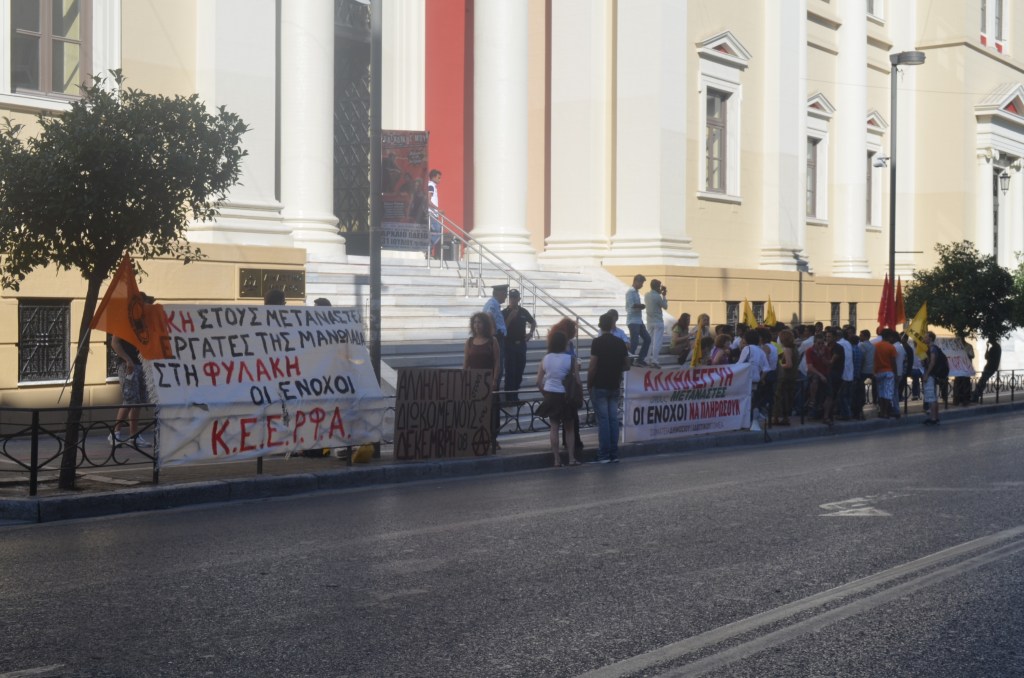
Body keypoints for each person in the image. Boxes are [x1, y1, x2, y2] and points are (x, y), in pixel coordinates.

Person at [108, 293, 155, 448]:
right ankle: (115, 433)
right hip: (128, 365)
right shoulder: (125, 321)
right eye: (144, 304)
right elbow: (115, 342)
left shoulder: (142, 323)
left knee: (139, 401)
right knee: (129, 398)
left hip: (141, 364)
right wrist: (127, 359)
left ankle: (134, 435)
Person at [588, 312, 630, 463]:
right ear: (612, 325)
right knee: (613, 419)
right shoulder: (620, 342)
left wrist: (589, 383)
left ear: (600, 325)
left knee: (604, 421)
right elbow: (627, 365)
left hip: (600, 384)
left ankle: (604, 454)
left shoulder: (597, 342)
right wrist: (616, 368)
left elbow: (592, 366)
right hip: (614, 384)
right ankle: (613, 453)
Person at [536, 331, 580, 467]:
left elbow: (538, 381)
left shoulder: (546, 358)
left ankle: (556, 459)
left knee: (554, 427)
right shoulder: (570, 359)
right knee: (569, 428)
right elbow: (577, 380)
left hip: (551, 394)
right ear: (563, 343)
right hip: (566, 396)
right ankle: (571, 458)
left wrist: (545, 393)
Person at [463, 312, 501, 452]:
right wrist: (464, 378)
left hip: (488, 381)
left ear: (485, 324)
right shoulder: (469, 342)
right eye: (475, 322)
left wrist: (495, 379)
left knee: (490, 412)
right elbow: (466, 362)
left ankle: (492, 439)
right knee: (474, 411)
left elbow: (497, 362)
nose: (477, 325)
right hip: (473, 381)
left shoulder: (492, 341)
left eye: (480, 322)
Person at [550, 317, 584, 452]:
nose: (575, 332)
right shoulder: (560, 346)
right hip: (563, 383)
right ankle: (572, 441)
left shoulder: (570, 344)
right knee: (568, 416)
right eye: (574, 329)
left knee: (571, 415)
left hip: (569, 381)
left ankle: (571, 440)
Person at [501, 289, 536, 403]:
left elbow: (533, 322)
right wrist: (510, 317)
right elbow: (501, 329)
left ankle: (515, 396)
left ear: (519, 299)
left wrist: (530, 333)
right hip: (509, 345)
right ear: (508, 299)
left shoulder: (523, 311)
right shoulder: (504, 312)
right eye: (511, 297)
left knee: (519, 372)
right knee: (510, 372)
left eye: (515, 297)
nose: (513, 300)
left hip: (520, 345)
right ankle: (508, 398)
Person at [483, 284, 508, 392]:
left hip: (499, 337)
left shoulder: (495, 304)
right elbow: (488, 315)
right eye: (505, 294)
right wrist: (493, 330)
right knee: (498, 367)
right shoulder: (492, 303)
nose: (506, 297)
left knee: (499, 367)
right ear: (499, 293)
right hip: (497, 338)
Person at [772, 329, 798, 426]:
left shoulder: (786, 349)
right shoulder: (794, 349)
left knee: (780, 398)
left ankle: (777, 418)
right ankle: (785, 418)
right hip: (793, 376)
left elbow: (788, 364)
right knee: (788, 398)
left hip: (785, 376)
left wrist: (779, 365)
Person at [625, 274, 650, 365]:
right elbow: (632, 305)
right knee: (634, 342)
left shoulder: (636, 292)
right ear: (636, 281)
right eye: (641, 283)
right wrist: (642, 306)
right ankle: (629, 361)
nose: (642, 285)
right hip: (633, 321)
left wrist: (641, 306)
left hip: (638, 320)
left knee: (647, 339)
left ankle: (640, 359)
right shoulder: (630, 292)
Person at [874, 329, 899, 419]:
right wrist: (895, 374)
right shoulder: (891, 347)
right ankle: (886, 412)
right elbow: (893, 362)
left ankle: (881, 411)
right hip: (888, 372)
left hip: (877, 372)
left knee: (880, 393)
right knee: (887, 393)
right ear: (889, 337)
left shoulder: (875, 346)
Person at [644, 279, 669, 367]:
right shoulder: (658, 296)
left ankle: (646, 359)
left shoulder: (646, 295)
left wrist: (659, 292)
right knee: (657, 342)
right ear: (657, 287)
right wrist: (664, 296)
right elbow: (665, 306)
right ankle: (654, 359)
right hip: (658, 322)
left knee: (649, 341)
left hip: (649, 321)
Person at [922, 331, 943, 425]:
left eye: (926, 337)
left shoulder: (932, 349)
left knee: (931, 397)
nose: (924, 338)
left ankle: (933, 418)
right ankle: (935, 417)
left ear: (930, 338)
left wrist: (927, 374)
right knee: (933, 397)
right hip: (932, 375)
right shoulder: (931, 348)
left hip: (931, 375)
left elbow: (932, 362)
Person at [972, 338, 1001, 402]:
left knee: (982, 381)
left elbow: (986, 357)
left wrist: (987, 348)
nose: (988, 341)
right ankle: (976, 394)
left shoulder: (993, 348)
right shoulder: (998, 347)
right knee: (982, 381)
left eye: (989, 339)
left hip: (989, 367)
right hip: (993, 367)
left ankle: (976, 395)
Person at [427, 169, 443, 258]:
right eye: (438, 178)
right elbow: (428, 201)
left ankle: (428, 251)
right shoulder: (431, 186)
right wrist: (438, 210)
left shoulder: (432, 186)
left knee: (434, 232)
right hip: (431, 214)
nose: (440, 180)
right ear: (433, 177)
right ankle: (427, 249)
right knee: (437, 231)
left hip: (433, 214)